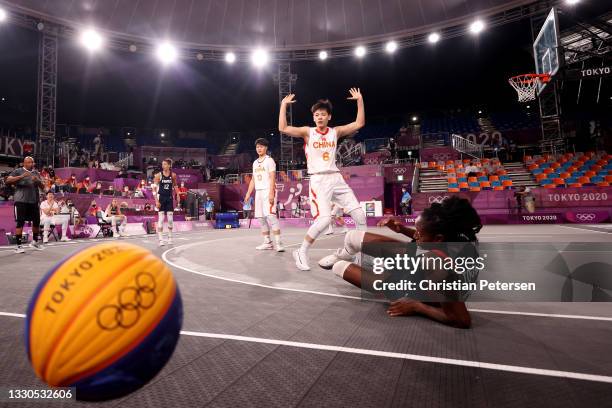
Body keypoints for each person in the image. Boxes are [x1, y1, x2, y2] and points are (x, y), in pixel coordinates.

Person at [319, 196, 480, 328]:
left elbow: (462, 320)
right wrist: (402, 229)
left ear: (438, 238)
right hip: (426, 275)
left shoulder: (437, 263)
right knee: (353, 237)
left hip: (416, 291)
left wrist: (417, 307)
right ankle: (349, 254)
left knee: (339, 267)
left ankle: (348, 262)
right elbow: (430, 238)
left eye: (419, 233)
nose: (415, 235)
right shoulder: (462, 238)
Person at [278, 89, 367, 270]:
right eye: (316, 114)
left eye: (323, 114)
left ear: (329, 117)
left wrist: (359, 100)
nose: (319, 117)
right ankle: (301, 251)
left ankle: (357, 255)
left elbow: (359, 122)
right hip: (319, 180)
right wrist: (283, 105)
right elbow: (283, 128)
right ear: (313, 118)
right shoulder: (308, 132)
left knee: (360, 216)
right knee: (325, 220)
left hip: (336, 177)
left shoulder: (336, 132)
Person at [243, 138, 284, 252]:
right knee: (260, 218)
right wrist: (248, 193)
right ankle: (267, 242)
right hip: (259, 191)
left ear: (266, 148)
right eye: (257, 147)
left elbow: (272, 177)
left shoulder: (269, 160)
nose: (259, 149)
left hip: (268, 190)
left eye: (261, 146)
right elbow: (253, 180)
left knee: (270, 216)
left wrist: (271, 192)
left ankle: (278, 243)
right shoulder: (255, 163)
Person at [5, 156, 45, 253]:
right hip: (21, 201)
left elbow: (42, 187)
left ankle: (34, 242)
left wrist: (38, 181)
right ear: (24, 163)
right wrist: (21, 176)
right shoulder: (18, 171)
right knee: (20, 222)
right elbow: (8, 181)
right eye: (29, 162)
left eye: (32, 162)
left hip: (34, 201)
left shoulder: (36, 173)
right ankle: (18, 246)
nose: (31, 164)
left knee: (36, 222)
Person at [153, 158, 180, 246]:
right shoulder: (158, 175)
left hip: (169, 198)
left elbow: (175, 186)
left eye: (165, 164)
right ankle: (161, 239)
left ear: (169, 165)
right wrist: (156, 201)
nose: (163, 166)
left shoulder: (173, 175)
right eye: (162, 164)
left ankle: (170, 237)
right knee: (161, 219)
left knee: (170, 220)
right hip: (161, 198)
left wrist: (178, 194)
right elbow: (153, 189)